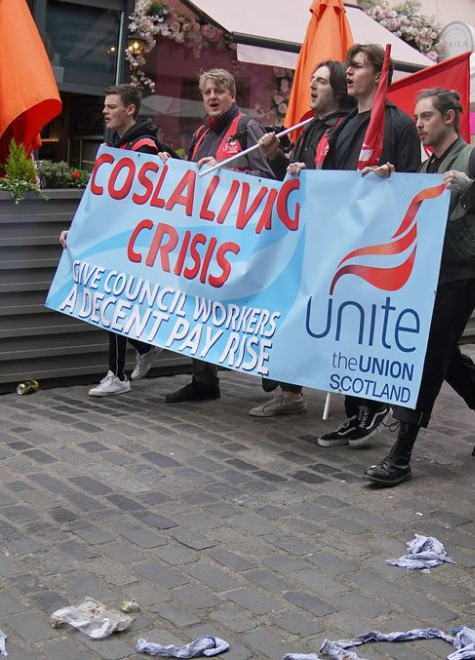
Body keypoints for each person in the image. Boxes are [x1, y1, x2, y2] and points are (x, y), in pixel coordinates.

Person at [363, 87, 475, 487]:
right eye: (417, 118)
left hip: (459, 277)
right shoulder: (426, 167)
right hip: (428, 276)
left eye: (426, 117)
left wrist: (472, 186)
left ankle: (400, 456)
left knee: (427, 358)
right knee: (446, 355)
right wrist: (388, 180)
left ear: (450, 117)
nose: (418, 125)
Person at [315, 44, 422, 448]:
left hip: (375, 250)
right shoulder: (342, 124)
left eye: (358, 67)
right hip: (341, 242)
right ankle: (354, 411)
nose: (349, 73)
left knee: (366, 328)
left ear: (380, 75)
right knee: (343, 328)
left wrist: (391, 178)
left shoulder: (398, 124)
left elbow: (411, 184)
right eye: (350, 66)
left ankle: (372, 405)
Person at [161, 68, 275, 402]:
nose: (212, 97)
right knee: (198, 304)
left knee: (242, 306)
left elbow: (266, 180)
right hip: (204, 235)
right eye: (207, 92)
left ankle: (269, 368)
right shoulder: (200, 133)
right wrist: (172, 164)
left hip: (237, 238)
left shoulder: (245, 127)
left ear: (232, 95)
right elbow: (193, 177)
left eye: (219, 91)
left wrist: (227, 170)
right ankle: (204, 379)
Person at [249, 60, 354, 417]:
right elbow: (291, 181)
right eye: (312, 79)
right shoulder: (311, 126)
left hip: (330, 237)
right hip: (302, 233)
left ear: (339, 89)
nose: (312, 85)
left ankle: (356, 394)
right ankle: (289, 389)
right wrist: (276, 156)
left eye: (321, 81)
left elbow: (343, 179)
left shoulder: (344, 127)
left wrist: (310, 176)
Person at [58, 84, 166, 397]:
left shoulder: (143, 147)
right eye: (105, 106)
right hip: (115, 234)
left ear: (130, 109)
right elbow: (100, 196)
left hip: (130, 238)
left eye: (111, 106)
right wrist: (76, 229)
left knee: (113, 300)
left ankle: (118, 373)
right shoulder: (115, 144)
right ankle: (143, 348)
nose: (104, 111)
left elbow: (139, 200)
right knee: (109, 298)